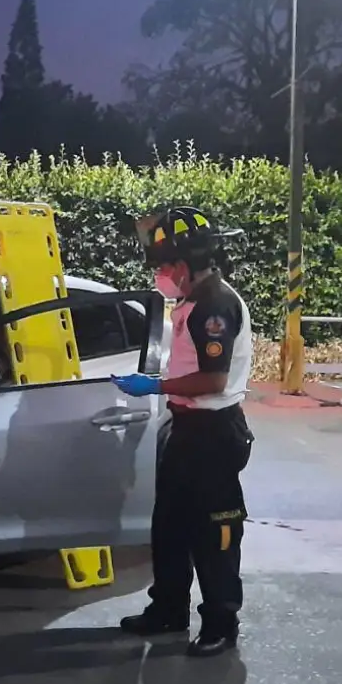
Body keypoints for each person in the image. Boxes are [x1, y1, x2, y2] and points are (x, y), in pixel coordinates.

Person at [109, 205, 255, 658]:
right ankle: (168, 610)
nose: (162, 274)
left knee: (215, 534)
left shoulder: (215, 306)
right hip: (187, 428)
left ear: (185, 263)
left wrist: (153, 385)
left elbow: (212, 380)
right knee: (169, 526)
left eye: (165, 265)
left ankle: (220, 622)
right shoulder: (191, 301)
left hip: (213, 432)